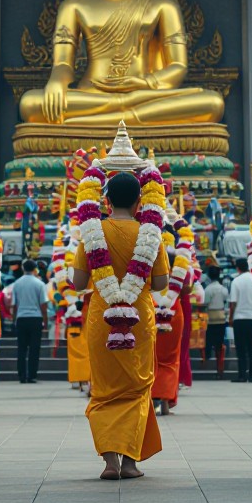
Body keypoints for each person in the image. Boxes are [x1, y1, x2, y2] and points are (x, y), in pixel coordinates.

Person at [72, 170, 170, 480]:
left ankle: (109, 461)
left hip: (103, 315)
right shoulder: (149, 234)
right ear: (141, 201)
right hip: (138, 317)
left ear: (106, 200)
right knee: (137, 386)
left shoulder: (91, 232)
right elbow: (161, 283)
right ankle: (129, 462)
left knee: (104, 388)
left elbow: (77, 283)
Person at [151, 254, 189, 416]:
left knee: (153, 357)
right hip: (174, 314)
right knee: (171, 359)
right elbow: (188, 290)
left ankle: (152, 402)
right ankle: (165, 404)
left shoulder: (151, 269)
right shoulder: (179, 274)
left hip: (153, 313)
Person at [12, 259, 48, 384]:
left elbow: (15, 305)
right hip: (36, 318)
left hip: (21, 318)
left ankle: (22, 375)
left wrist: (14, 320)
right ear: (34, 269)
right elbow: (43, 305)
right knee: (34, 349)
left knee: (21, 349)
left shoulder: (16, 284)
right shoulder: (39, 284)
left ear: (23, 268)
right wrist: (45, 321)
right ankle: (32, 375)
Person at [229, 257, 252, 383]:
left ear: (238, 268)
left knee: (241, 348)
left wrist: (230, 318)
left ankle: (242, 375)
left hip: (239, 319)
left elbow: (233, 303)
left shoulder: (236, 281)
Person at [202, 265, 228, 377]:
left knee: (208, 342)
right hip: (221, 318)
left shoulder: (208, 289)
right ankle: (220, 368)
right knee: (220, 344)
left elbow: (205, 304)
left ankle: (206, 359)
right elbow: (226, 302)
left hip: (210, 319)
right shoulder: (223, 289)